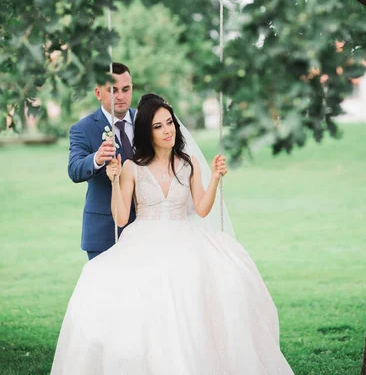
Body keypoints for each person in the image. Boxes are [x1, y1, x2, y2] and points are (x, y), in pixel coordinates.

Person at [52, 96, 295, 374]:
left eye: (170, 123)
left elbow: (202, 209)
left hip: (185, 236)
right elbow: (120, 218)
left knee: (212, 285)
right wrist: (115, 179)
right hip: (143, 238)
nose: (168, 130)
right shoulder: (133, 167)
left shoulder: (189, 162)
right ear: (147, 132)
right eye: (159, 126)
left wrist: (215, 177)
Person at [68, 62, 136, 260]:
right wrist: (97, 159)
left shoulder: (146, 123)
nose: (121, 96)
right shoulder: (83, 128)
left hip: (145, 228)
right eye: (113, 90)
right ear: (98, 93)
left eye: (126, 89)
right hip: (103, 231)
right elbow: (74, 169)